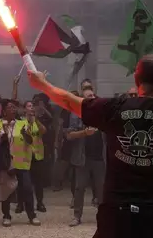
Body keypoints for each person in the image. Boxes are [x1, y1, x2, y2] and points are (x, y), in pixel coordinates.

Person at [28, 55, 153, 238]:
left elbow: (69, 100)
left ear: (136, 78)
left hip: (117, 217)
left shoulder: (114, 108)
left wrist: (43, 84)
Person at [0, 99, 43, 227]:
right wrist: (2, 136)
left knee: (27, 189)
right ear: (4, 111)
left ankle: (32, 215)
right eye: (9, 107)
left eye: (14, 107)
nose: (13, 109)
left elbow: (31, 140)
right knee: (7, 191)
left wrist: (25, 134)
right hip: (6, 164)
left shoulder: (22, 123)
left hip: (22, 163)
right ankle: (6, 216)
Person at [66, 88, 106, 227]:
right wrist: (84, 132)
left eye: (93, 95)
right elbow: (69, 135)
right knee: (79, 188)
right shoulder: (76, 115)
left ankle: (103, 217)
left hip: (100, 158)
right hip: (83, 158)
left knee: (101, 189)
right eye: (89, 96)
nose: (92, 97)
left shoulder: (103, 114)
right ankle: (77, 216)